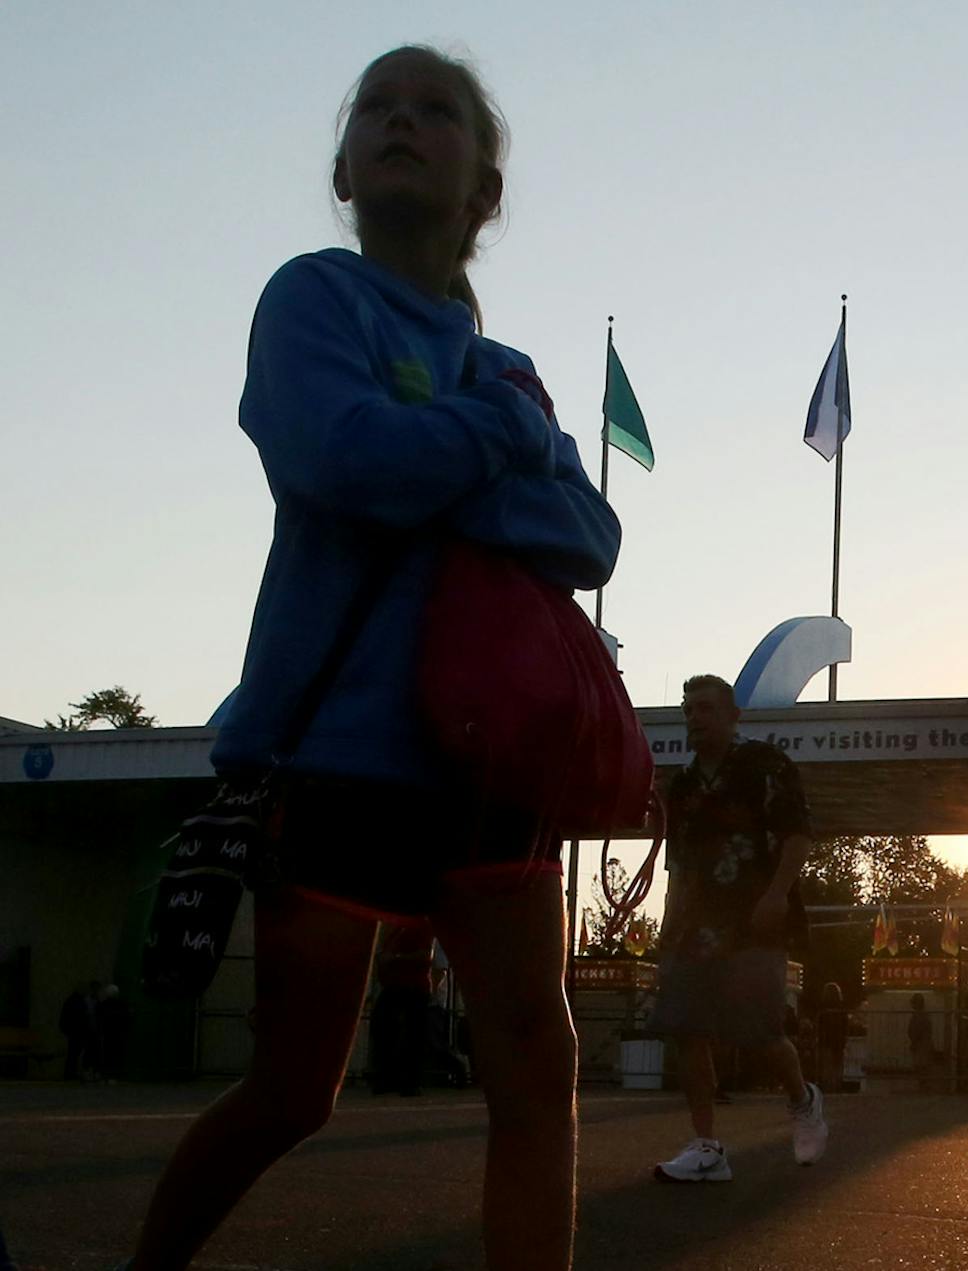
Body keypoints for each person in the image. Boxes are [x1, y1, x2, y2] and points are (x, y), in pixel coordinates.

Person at [127, 46, 618, 1271]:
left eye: (436, 111)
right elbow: (335, 460)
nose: (403, 121)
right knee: (295, 1088)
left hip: (490, 759)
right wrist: (492, 443)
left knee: (536, 1067)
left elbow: (590, 533)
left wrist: (430, 455)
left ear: (485, 190)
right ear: (345, 170)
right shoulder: (316, 300)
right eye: (378, 109)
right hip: (335, 751)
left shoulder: (510, 368)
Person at [650, 675, 829, 1182]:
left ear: (733, 716)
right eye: (688, 710)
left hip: (754, 919)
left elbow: (797, 835)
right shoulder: (683, 785)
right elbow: (679, 862)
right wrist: (669, 922)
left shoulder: (764, 764)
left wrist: (776, 894)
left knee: (759, 1031)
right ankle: (707, 1146)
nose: (694, 718)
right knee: (686, 1027)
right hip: (697, 923)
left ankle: (802, 1099)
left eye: (706, 709)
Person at [368, 923, 436, 1096]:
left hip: (412, 987)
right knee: (385, 1028)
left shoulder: (420, 927)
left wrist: (394, 958)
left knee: (413, 1034)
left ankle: (409, 1081)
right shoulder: (397, 931)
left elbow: (425, 955)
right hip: (395, 986)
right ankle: (390, 1078)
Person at [59, 980, 99, 1082]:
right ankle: (71, 1074)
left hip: (75, 1031)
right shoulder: (79, 1002)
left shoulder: (74, 1001)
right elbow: (80, 1017)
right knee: (74, 1053)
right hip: (77, 1031)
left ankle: (70, 1073)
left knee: (73, 1053)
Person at [815, 982, 850, 1093]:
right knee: (837, 1064)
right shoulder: (841, 1009)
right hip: (838, 1040)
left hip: (826, 1040)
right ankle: (837, 1085)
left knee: (827, 1065)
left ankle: (827, 1086)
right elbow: (845, 1025)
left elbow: (820, 1025)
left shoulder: (823, 1009)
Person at [908, 992, 937, 1092]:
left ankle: (924, 1085)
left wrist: (914, 1041)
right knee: (923, 1065)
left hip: (921, 1044)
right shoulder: (924, 1015)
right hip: (924, 1043)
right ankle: (924, 1085)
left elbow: (916, 1030)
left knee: (921, 1065)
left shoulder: (919, 1016)